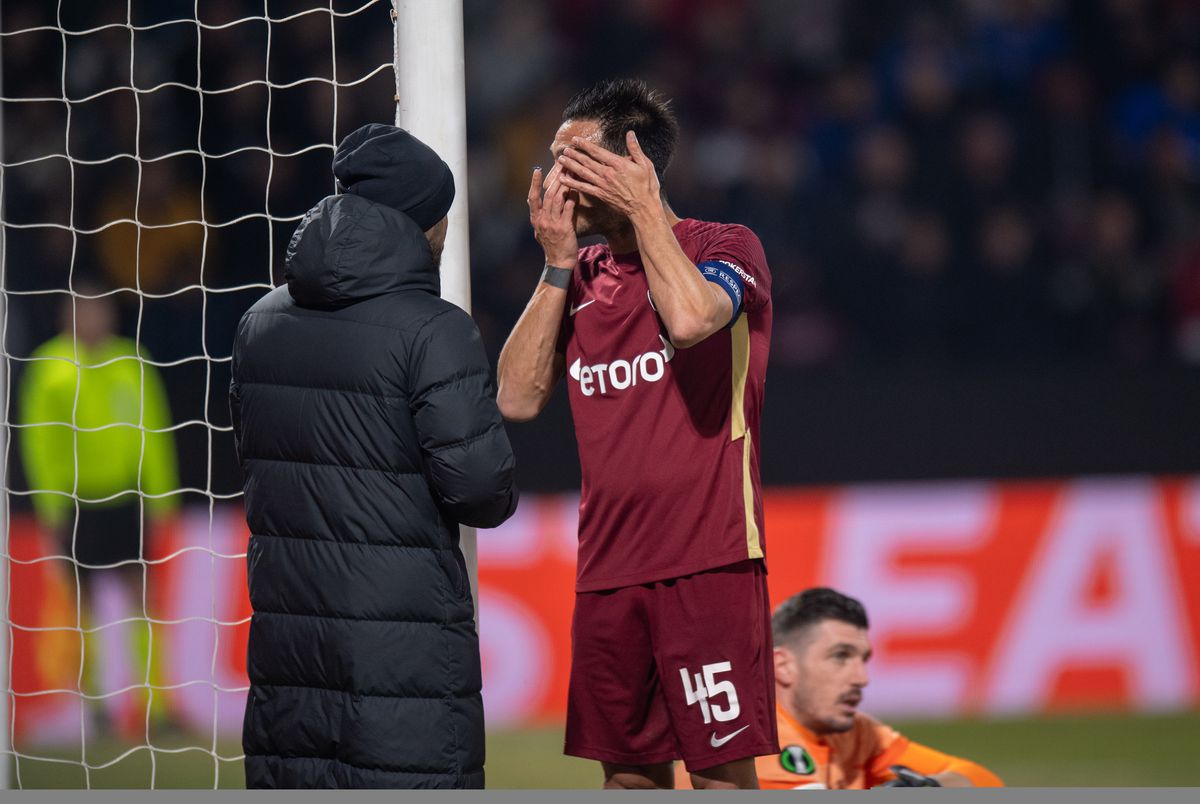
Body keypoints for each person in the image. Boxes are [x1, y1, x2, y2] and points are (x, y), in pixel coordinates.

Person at [497, 79, 774, 790]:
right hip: (607, 573)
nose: (555, 180)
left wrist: (647, 213)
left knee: (718, 776)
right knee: (628, 780)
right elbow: (516, 397)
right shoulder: (580, 275)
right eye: (554, 161)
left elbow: (687, 322)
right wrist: (556, 263)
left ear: (633, 163)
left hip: (707, 562)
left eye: (575, 161)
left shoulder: (726, 246)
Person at [231, 123, 519, 789]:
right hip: (402, 658)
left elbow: (253, 452)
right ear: (424, 218)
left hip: (289, 649)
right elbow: (481, 490)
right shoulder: (435, 329)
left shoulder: (260, 322)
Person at [18, 280, 180, 737]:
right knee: (80, 606)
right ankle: (97, 708)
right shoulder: (47, 368)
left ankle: (159, 705)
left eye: (98, 309)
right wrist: (51, 510)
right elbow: (38, 444)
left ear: (111, 313)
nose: (91, 318)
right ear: (65, 317)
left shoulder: (133, 361)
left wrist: (160, 499)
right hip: (75, 506)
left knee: (144, 600)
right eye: (81, 310)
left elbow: (155, 432)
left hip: (126, 500)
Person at [677, 587, 1004, 789]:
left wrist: (927, 788)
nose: (861, 677)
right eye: (841, 657)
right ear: (783, 665)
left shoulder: (859, 734)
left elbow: (982, 779)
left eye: (863, 658)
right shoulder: (749, 740)